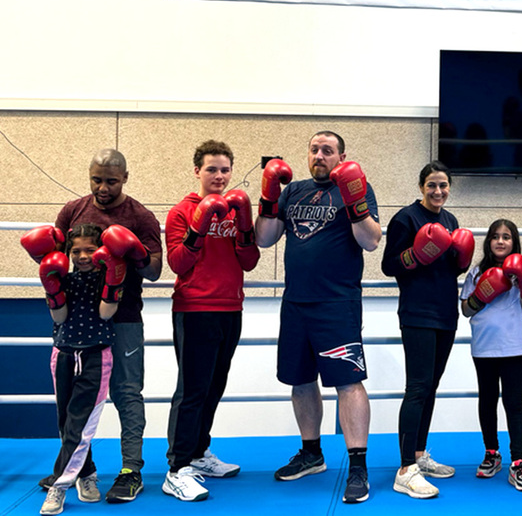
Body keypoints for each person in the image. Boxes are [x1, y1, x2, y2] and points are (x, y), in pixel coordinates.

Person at [255, 131, 381, 504]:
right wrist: (267, 195)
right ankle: (312, 454)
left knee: (348, 382)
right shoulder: (292, 191)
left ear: (342, 156)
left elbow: (371, 240)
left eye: (328, 150)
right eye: (314, 150)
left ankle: (358, 466)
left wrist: (356, 200)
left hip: (337, 304)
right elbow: (264, 239)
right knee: (300, 380)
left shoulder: (357, 187)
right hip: (296, 302)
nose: (319, 156)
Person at [50, 149, 163, 503]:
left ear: (125, 178)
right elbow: (53, 258)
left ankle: (131, 470)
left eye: (111, 181)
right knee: (71, 399)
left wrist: (135, 253)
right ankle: (79, 468)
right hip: (77, 321)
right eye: (96, 179)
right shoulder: (73, 211)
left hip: (124, 318)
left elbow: (156, 271)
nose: (102, 187)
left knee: (127, 393)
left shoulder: (139, 215)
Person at [162, 141, 260, 501]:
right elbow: (177, 264)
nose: (219, 176)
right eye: (211, 170)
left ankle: (199, 454)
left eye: (224, 170)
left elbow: (249, 262)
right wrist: (198, 228)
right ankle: (176, 469)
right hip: (194, 308)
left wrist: (246, 226)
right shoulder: (180, 213)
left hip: (231, 309)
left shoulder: (236, 210)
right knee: (192, 389)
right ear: (197, 172)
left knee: (215, 386)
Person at [380, 161, 474, 498]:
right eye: (432, 185)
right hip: (417, 313)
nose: (438, 192)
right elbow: (389, 265)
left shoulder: (450, 221)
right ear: (422, 186)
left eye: (444, 186)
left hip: (446, 313)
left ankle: (419, 455)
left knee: (431, 387)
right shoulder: (406, 218)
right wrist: (415, 255)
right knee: (417, 388)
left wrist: (461, 260)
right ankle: (405, 469)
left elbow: (452, 268)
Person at [37, 224, 119, 515]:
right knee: (66, 423)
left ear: (102, 250)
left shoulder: (107, 276)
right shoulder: (64, 278)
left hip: (96, 358)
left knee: (81, 426)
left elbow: (105, 313)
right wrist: (52, 287)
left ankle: (59, 486)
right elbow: (59, 316)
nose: (83, 256)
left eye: (90, 249)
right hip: (62, 355)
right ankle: (87, 473)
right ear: (68, 252)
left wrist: (113, 279)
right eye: (76, 251)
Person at [459, 219, 522, 492]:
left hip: (514, 347)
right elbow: (466, 310)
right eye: (495, 236)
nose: (500, 241)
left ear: (514, 242)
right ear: (488, 241)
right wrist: (483, 294)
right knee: (488, 400)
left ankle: (518, 461)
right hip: (484, 348)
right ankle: (491, 452)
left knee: (514, 403)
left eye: (506, 237)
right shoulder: (477, 272)